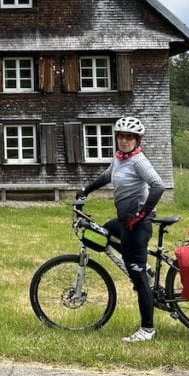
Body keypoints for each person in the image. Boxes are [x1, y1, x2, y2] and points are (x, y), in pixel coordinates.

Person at [75, 116, 165, 343]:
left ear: (137, 140)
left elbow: (158, 185)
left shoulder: (138, 161)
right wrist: (85, 190)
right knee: (104, 231)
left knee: (137, 275)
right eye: (121, 136)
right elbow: (107, 176)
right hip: (125, 223)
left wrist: (142, 214)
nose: (124, 141)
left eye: (129, 137)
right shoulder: (119, 159)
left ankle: (147, 329)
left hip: (138, 225)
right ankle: (147, 271)